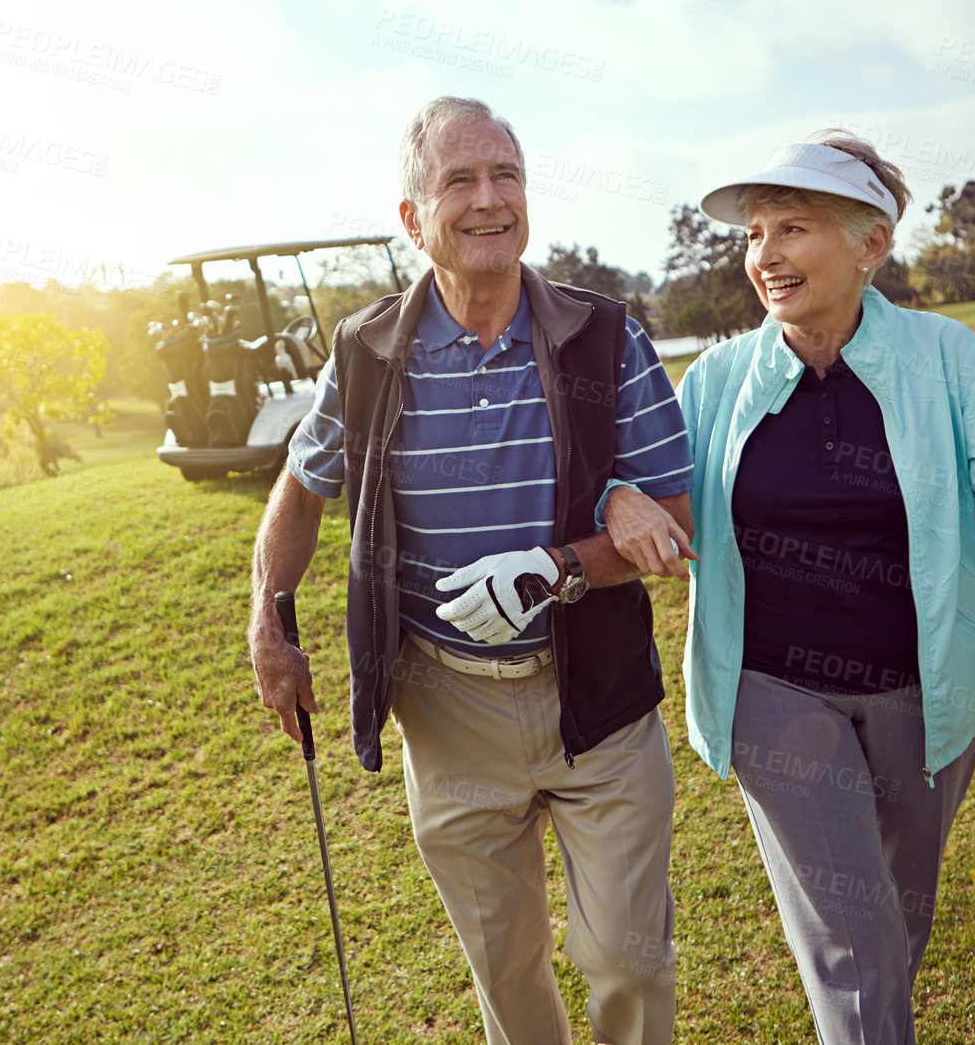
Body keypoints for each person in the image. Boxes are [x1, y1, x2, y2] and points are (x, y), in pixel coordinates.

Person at [601, 131, 975, 1045]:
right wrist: (617, 502)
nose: (763, 255)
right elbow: (640, 487)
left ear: (870, 244)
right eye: (754, 233)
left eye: (792, 228)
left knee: (893, 928)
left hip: (927, 700)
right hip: (773, 692)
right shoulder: (719, 378)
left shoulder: (950, 360)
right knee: (858, 949)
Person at [248, 95, 696, 1045]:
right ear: (414, 220)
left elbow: (679, 521)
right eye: (460, 180)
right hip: (446, 712)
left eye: (507, 176)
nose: (491, 200)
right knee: (504, 971)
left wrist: (556, 567)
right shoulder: (365, 352)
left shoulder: (602, 337)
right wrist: (268, 619)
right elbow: (302, 482)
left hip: (599, 700)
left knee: (626, 957)